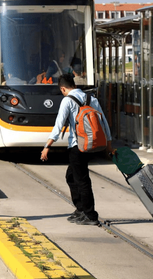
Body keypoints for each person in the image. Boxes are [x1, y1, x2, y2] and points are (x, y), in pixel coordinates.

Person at [40, 74, 112, 226]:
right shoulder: (91, 99)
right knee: (71, 176)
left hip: (77, 145)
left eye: (62, 91)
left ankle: (90, 214)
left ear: (63, 88)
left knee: (82, 180)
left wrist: (47, 146)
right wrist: (109, 145)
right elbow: (103, 122)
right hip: (90, 144)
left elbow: (58, 126)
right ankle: (80, 209)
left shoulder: (67, 101)